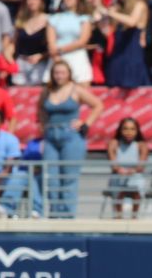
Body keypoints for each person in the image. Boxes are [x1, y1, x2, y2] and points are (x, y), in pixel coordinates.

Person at [38, 59, 103, 219]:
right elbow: (40, 108)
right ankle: (53, 214)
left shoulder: (76, 90)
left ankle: (66, 215)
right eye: (56, 72)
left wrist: (85, 123)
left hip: (70, 135)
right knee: (51, 177)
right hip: (51, 135)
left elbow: (98, 105)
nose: (59, 76)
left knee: (68, 177)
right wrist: (44, 127)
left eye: (62, 73)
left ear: (69, 74)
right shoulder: (47, 91)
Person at [104, 117, 148, 220]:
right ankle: (118, 217)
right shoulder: (113, 144)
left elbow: (141, 166)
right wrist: (121, 171)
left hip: (135, 177)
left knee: (136, 188)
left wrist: (132, 171)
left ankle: (134, 217)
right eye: (126, 129)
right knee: (119, 187)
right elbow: (114, 165)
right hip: (118, 177)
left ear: (137, 131)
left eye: (132, 129)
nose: (129, 132)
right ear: (120, 130)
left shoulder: (141, 145)